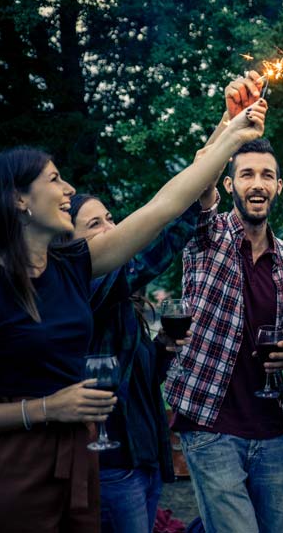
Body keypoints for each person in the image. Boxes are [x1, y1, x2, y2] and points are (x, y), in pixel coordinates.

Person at [0, 100, 267, 532]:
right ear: (18, 199)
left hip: (80, 462)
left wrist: (231, 132)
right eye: (54, 179)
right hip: (11, 471)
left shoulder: (75, 267)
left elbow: (163, 207)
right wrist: (47, 408)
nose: (69, 188)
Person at [165, 73, 283, 533]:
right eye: (246, 174)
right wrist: (230, 123)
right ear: (229, 185)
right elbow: (196, 179)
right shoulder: (209, 235)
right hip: (210, 424)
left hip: (271, 429)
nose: (257, 183)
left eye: (267, 175)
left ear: (278, 187)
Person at [67, 192, 197, 533]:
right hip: (112, 465)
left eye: (110, 218)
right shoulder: (84, 288)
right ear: (70, 244)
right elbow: (146, 261)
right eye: (94, 224)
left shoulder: (122, 304)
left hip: (143, 460)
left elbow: (144, 381)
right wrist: (193, 207)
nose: (111, 228)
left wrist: (163, 348)